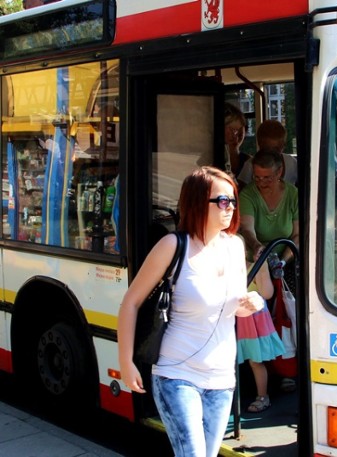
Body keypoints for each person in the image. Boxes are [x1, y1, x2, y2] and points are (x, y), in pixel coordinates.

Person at [117, 166, 264, 457]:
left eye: (233, 200)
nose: (231, 207)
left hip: (222, 379)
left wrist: (251, 304)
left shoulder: (235, 246)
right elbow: (130, 302)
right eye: (222, 201)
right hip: (177, 374)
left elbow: (232, 307)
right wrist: (125, 362)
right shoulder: (173, 245)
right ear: (198, 202)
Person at [239, 149, 299, 393]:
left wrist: (283, 262)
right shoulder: (248, 194)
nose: (262, 182)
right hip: (257, 261)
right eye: (257, 177)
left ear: (280, 173)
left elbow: (296, 234)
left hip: (286, 257)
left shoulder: (292, 194)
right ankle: (263, 369)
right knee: (261, 316)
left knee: (290, 315)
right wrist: (258, 249)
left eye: (267, 178)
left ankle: (288, 367)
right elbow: (247, 230)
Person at [236, 257, 286, 413]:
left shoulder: (254, 267)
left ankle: (263, 396)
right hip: (229, 318)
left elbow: (267, 293)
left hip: (250, 318)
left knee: (255, 361)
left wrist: (262, 266)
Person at [237, 119, 297, 187]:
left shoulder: (291, 163)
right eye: (267, 149)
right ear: (259, 145)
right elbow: (241, 190)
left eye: (276, 149)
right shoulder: (250, 165)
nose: (271, 154)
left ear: (283, 146)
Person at [223, 102, 250, 177]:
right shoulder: (207, 163)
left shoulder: (250, 163)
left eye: (240, 131)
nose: (236, 137)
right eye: (231, 130)